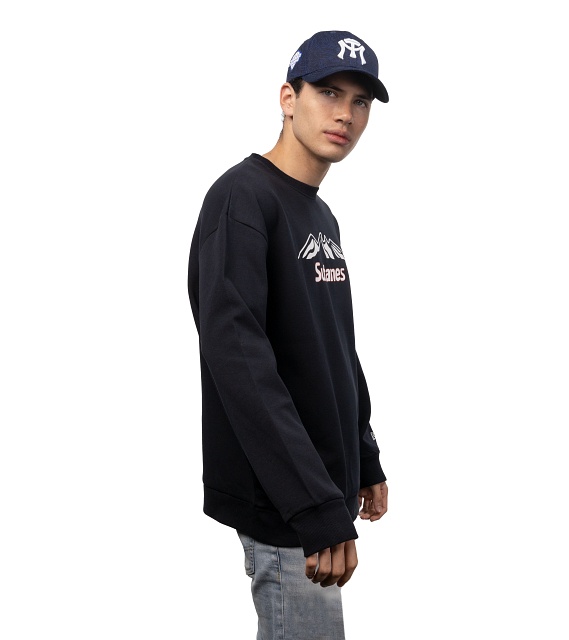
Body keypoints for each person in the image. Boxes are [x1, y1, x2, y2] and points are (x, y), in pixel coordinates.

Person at [187, 30, 390, 639]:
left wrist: (363, 455)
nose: (345, 114)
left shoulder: (320, 214)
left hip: (320, 488)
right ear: (287, 98)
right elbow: (239, 360)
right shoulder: (242, 198)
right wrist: (311, 503)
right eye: (328, 92)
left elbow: (334, 346)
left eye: (360, 101)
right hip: (287, 503)